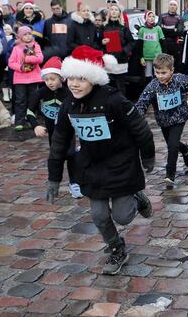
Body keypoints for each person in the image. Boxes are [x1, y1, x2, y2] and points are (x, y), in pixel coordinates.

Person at [47, 45, 155, 275]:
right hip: (91, 165)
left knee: (123, 217)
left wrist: (148, 156)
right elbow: (59, 141)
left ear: (94, 79)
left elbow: (140, 128)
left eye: (82, 78)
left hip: (121, 163)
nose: (74, 84)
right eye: (71, 78)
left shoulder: (113, 99)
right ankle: (117, 248)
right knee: (98, 215)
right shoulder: (69, 104)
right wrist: (54, 177)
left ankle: (137, 198)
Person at [135, 53, 188, 186]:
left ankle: (170, 174)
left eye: (164, 72)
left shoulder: (180, 80)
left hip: (179, 118)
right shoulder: (153, 86)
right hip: (164, 121)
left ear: (172, 70)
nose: (160, 76)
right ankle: (185, 149)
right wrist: (136, 118)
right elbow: (142, 103)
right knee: (173, 144)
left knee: (172, 146)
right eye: (157, 72)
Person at [28, 57, 82, 199]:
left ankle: (74, 183)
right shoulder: (41, 92)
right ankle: (54, 182)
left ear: (61, 78)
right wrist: (36, 126)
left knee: (70, 155)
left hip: (67, 130)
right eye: (46, 79)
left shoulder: (68, 93)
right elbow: (29, 111)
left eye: (53, 78)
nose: (50, 82)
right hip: (52, 132)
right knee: (56, 156)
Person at [8, 26, 43, 131]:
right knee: (20, 100)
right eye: (25, 34)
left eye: (29, 34)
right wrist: (20, 68)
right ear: (20, 36)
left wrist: (28, 58)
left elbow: (40, 58)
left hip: (33, 78)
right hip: (20, 78)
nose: (28, 36)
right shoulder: (16, 48)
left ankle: (31, 120)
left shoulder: (35, 46)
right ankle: (19, 121)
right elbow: (11, 62)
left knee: (32, 100)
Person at [100, 1, 134, 93]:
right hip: (108, 61)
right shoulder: (104, 27)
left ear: (119, 13)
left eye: (116, 10)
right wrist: (102, 42)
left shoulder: (124, 27)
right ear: (109, 12)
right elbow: (98, 42)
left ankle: (121, 106)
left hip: (121, 61)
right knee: (108, 86)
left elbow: (131, 42)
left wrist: (124, 51)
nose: (114, 11)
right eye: (112, 9)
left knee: (121, 87)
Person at [158, 0, 184, 71]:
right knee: (164, 62)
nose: (172, 6)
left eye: (174, 5)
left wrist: (165, 29)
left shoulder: (179, 18)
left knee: (174, 62)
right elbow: (159, 30)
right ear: (168, 6)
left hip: (175, 43)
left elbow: (179, 32)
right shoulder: (162, 16)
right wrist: (173, 29)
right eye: (171, 5)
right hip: (164, 43)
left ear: (177, 8)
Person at [138, 10, 164, 79]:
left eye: (153, 16)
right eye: (149, 16)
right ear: (146, 18)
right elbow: (139, 45)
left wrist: (164, 56)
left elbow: (163, 42)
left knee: (158, 75)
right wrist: (141, 58)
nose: (152, 18)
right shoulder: (142, 29)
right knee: (148, 76)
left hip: (157, 56)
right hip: (147, 57)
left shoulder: (158, 28)